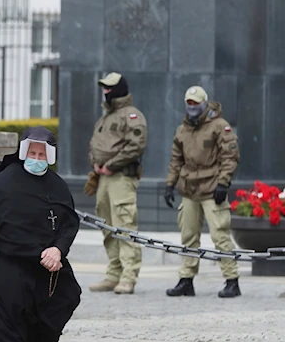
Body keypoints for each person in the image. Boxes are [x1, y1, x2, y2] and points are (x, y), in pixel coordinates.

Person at [0, 126, 82, 342]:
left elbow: (69, 223)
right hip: (12, 270)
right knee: (7, 332)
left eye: (41, 154)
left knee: (44, 327)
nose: (36, 159)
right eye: (32, 153)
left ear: (49, 156)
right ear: (24, 152)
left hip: (47, 271)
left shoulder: (58, 186)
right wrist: (38, 252)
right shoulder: (5, 182)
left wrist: (58, 250)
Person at [164, 85, 241, 298]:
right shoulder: (182, 130)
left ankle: (232, 280)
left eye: (196, 103)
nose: (192, 107)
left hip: (212, 188)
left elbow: (230, 157)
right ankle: (186, 279)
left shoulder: (219, 126)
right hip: (189, 190)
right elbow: (176, 160)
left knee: (220, 235)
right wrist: (170, 184)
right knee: (188, 235)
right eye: (189, 103)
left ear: (205, 103)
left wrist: (223, 183)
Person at [86, 72, 147, 295]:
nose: (105, 91)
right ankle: (114, 274)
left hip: (121, 178)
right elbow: (95, 145)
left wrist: (111, 164)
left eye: (110, 87)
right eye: (104, 87)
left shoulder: (132, 116)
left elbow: (136, 145)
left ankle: (128, 276)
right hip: (103, 178)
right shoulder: (105, 117)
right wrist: (96, 164)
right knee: (107, 225)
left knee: (124, 225)